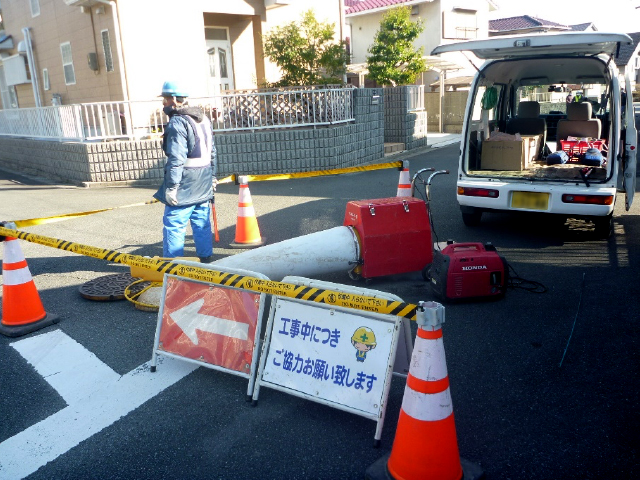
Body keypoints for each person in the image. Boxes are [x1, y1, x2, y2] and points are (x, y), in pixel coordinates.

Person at [154, 80, 217, 263]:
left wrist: (172, 187)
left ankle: (172, 268)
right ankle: (207, 263)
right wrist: (213, 176)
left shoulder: (177, 122)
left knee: (174, 223)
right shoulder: (203, 119)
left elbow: (176, 158)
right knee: (201, 222)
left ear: (174, 99)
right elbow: (212, 151)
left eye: (165, 99)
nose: (163, 104)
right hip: (204, 178)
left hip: (185, 181)